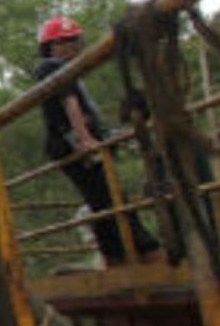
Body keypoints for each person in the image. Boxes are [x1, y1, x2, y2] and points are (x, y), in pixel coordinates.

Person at [33, 15, 161, 264]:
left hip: (74, 145)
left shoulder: (68, 70)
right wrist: (87, 140)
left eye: (74, 40)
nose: (71, 46)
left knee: (102, 202)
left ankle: (117, 257)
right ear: (50, 47)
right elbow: (69, 102)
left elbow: (78, 104)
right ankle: (147, 251)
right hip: (73, 145)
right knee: (112, 200)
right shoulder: (51, 67)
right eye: (63, 41)